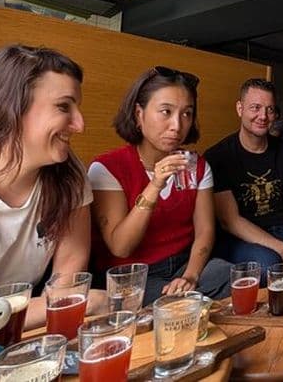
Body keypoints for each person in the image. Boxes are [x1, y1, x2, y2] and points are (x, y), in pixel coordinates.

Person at [0, 44, 100, 329]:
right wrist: (82, 301)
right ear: (11, 107)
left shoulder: (68, 174)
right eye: (64, 106)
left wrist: (70, 301)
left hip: (19, 338)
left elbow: (67, 286)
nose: (79, 124)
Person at [88, 66, 231, 304]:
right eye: (166, 111)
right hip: (131, 277)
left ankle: (188, 300)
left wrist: (191, 276)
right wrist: (155, 185)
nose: (177, 125)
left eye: (187, 114)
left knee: (226, 274)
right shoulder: (107, 168)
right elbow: (121, 247)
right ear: (138, 114)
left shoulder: (196, 165)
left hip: (182, 265)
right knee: (176, 304)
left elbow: (205, 231)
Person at [205, 79, 283, 280]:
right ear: (240, 108)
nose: (263, 116)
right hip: (241, 237)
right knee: (268, 266)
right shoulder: (218, 156)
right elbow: (230, 221)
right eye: (255, 108)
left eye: (270, 109)